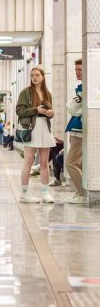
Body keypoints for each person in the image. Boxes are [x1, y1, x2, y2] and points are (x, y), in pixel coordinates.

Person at [16, 67, 56, 203]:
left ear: (43, 77)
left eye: (37, 75)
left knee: (44, 162)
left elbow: (50, 111)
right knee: (29, 161)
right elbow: (19, 111)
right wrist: (36, 110)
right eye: (32, 75)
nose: (34, 77)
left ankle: (45, 193)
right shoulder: (25, 92)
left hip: (45, 127)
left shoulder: (47, 93)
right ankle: (24, 194)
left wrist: (51, 113)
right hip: (31, 129)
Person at [64, 59, 85, 204]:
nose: (77, 72)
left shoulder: (87, 89)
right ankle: (80, 192)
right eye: (76, 70)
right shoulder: (81, 88)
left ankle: (82, 194)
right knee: (79, 164)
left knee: (70, 163)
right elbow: (71, 109)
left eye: (80, 70)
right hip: (75, 130)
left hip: (80, 130)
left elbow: (73, 108)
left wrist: (75, 108)